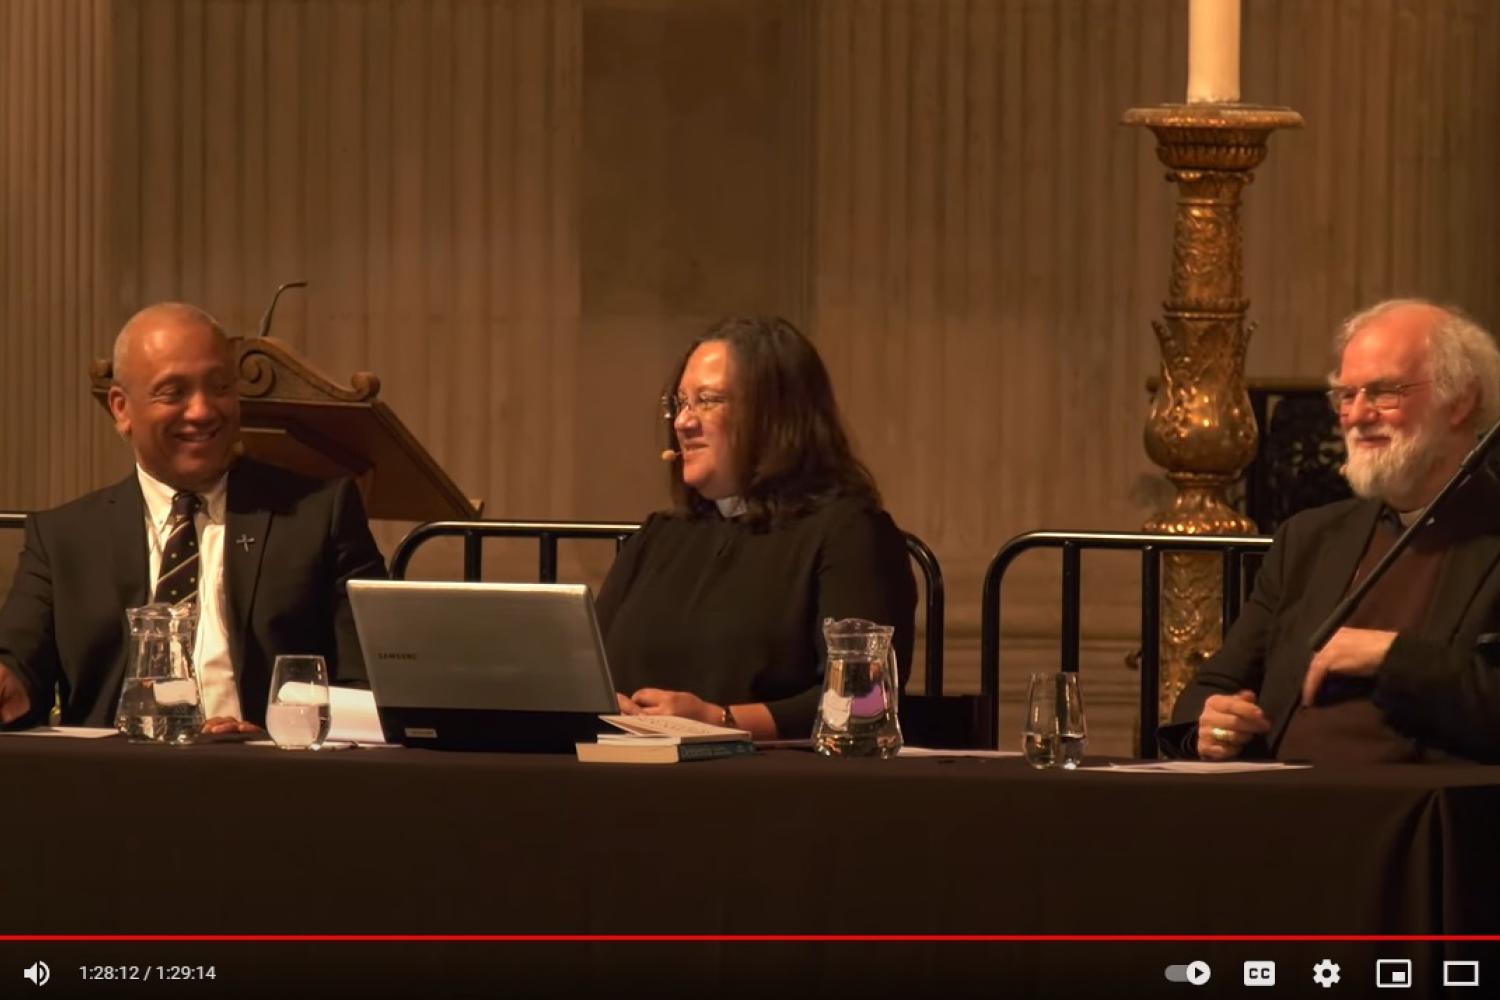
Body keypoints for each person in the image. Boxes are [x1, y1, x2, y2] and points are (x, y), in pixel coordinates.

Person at [0, 302, 387, 733]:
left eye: (220, 387)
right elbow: (19, 670)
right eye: (174, 393)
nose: (203, 411)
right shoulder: (62, 538)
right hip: (109, 782)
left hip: (273, 780)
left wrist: (282, 736)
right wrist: (9, 686)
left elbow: (369, 687)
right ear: (121, 409)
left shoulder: (319, 515)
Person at [1164, 299, 1500, 763]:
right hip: (1280, 802)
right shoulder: (1310, 538)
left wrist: (1392, 656)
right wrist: (1212, 723)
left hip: (1420, 817)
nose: (1357, 415)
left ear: (1460, 401)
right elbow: (1213, 686)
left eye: (1384, 392)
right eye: (1346, 395)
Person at [595, 316, 916, 741]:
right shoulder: (659, 536)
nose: (682, 423)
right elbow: (590, 666)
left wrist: (718, 720)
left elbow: (863, 699)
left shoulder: (848, 533)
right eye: (680, 403)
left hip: (768, 785)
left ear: (774, 415)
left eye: (707, 401)